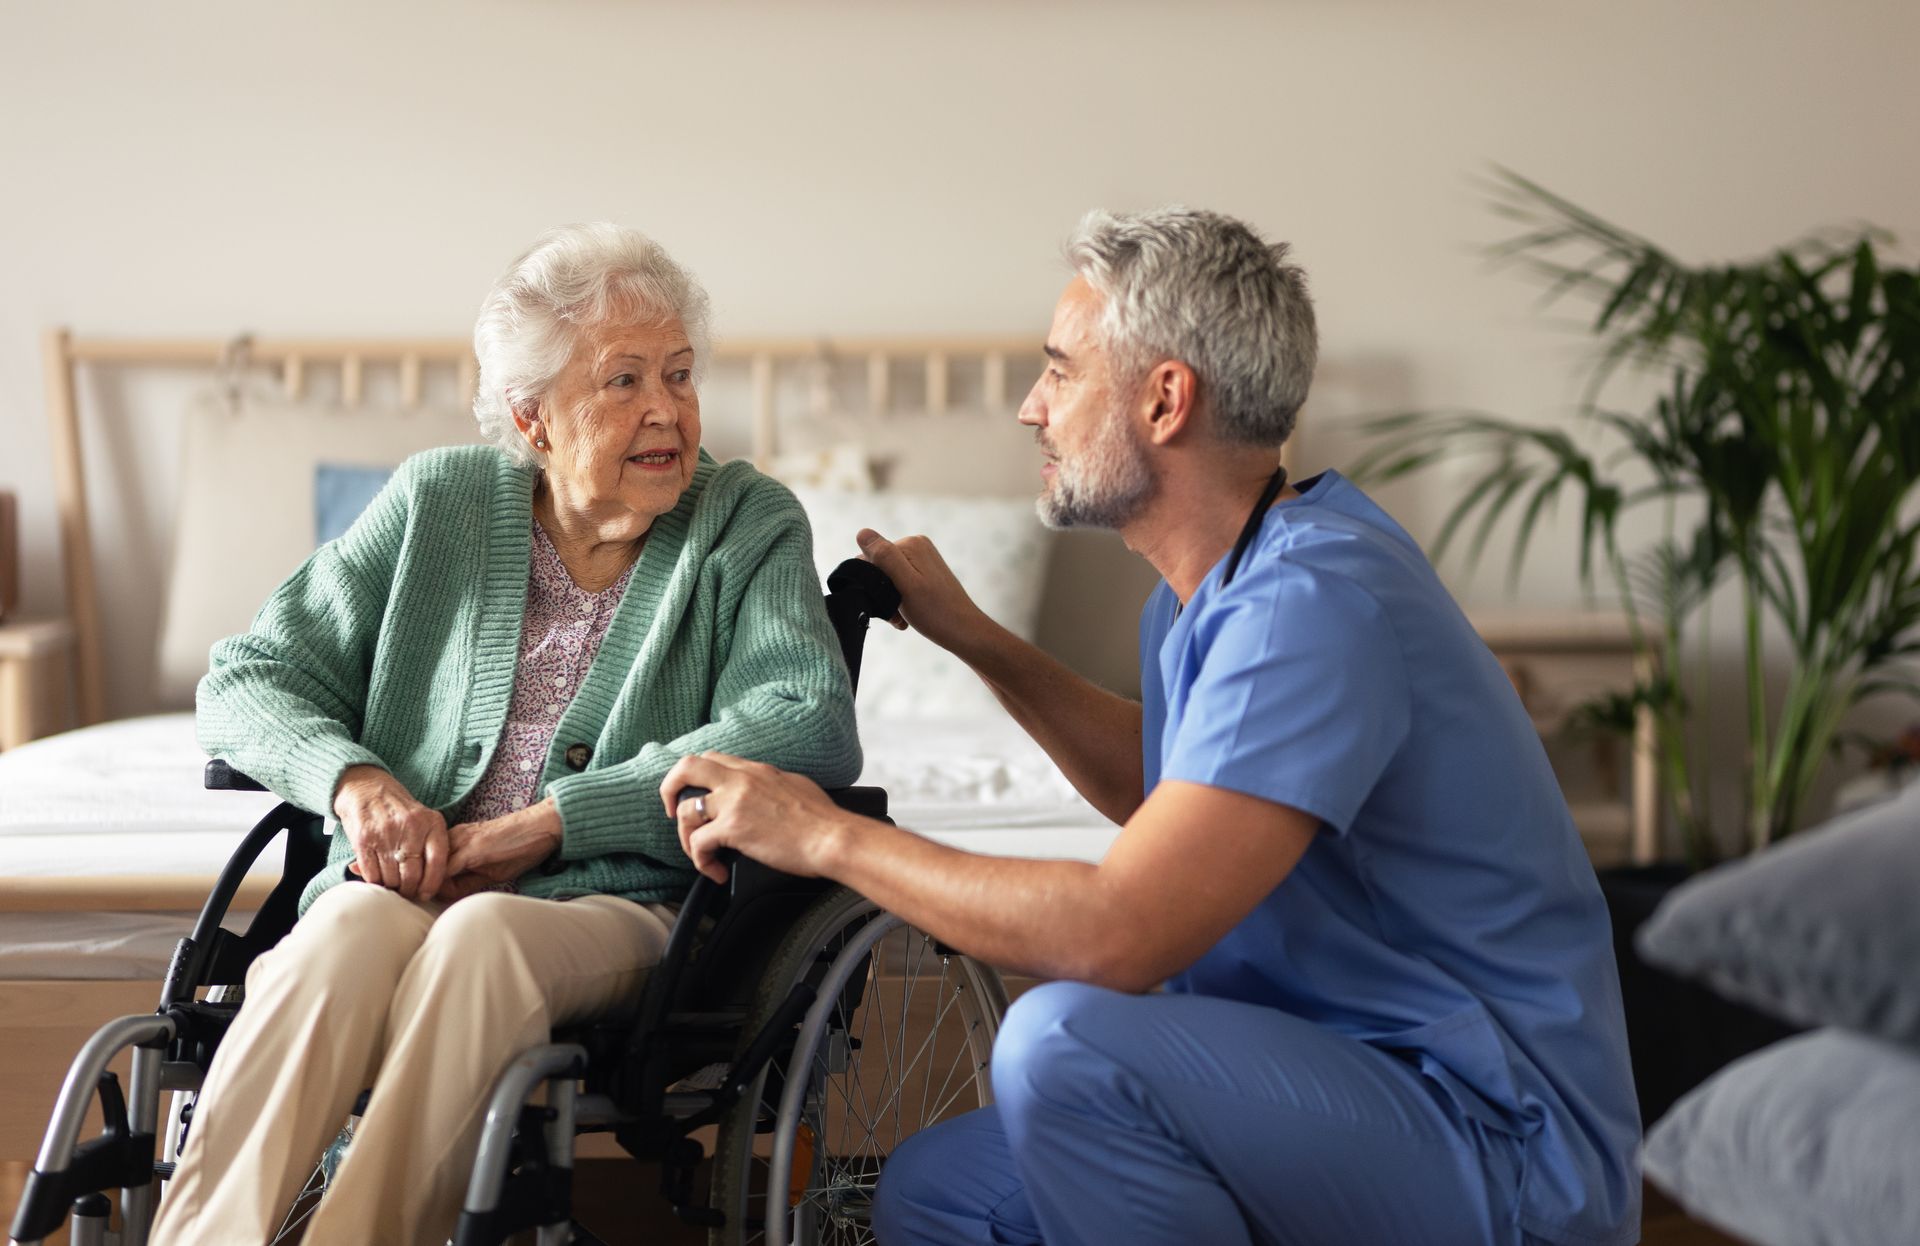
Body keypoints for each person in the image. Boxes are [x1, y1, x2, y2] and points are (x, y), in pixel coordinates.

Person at [661, 208, 1641, 1246]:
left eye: (1060, 370)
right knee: (938, 1191)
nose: (1033, 408)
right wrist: (977, 640)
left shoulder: (1311, 603)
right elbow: (1174, 794)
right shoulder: (1207, 588)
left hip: (1495, 1138)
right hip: (1344, 1087)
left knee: (1064, 1042)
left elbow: (1116, 933)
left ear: (1166, 399)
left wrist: (825, 833)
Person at [149, 223, 860, 1246]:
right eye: (623, 382)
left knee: (483, 938)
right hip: (407, 887)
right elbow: (250, 674)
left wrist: (551, 825)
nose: (668, 410)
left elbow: (805, 721)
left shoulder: (745, 525)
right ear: (532, 418)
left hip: (625, 910)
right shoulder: (436, 501)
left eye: (680, 373)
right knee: (338, 934)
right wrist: (356, 785)